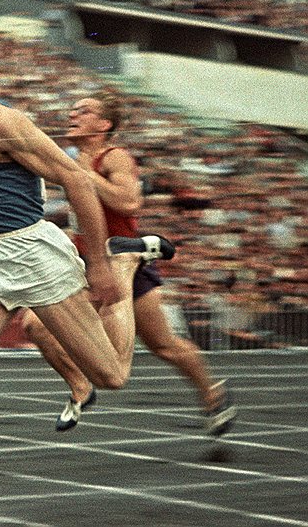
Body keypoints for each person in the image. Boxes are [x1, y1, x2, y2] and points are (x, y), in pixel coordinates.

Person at [0, 27, 174, 527]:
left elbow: (76, 180)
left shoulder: (2, 123)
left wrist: (101, 264)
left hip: (35, 257)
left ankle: (128, 263)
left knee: (111, 376)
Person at [19, 93, 237, 434]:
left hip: (125, 259)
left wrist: (81, 174)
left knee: (163, 345)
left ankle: (213, 395)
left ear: (104, 124)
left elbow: (130, 202)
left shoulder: (114, 156)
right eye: (73, 109)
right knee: (35, 324)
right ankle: (80, 388)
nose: (73, 114)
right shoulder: (70, 159)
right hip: (88, 262)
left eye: (84, 111)